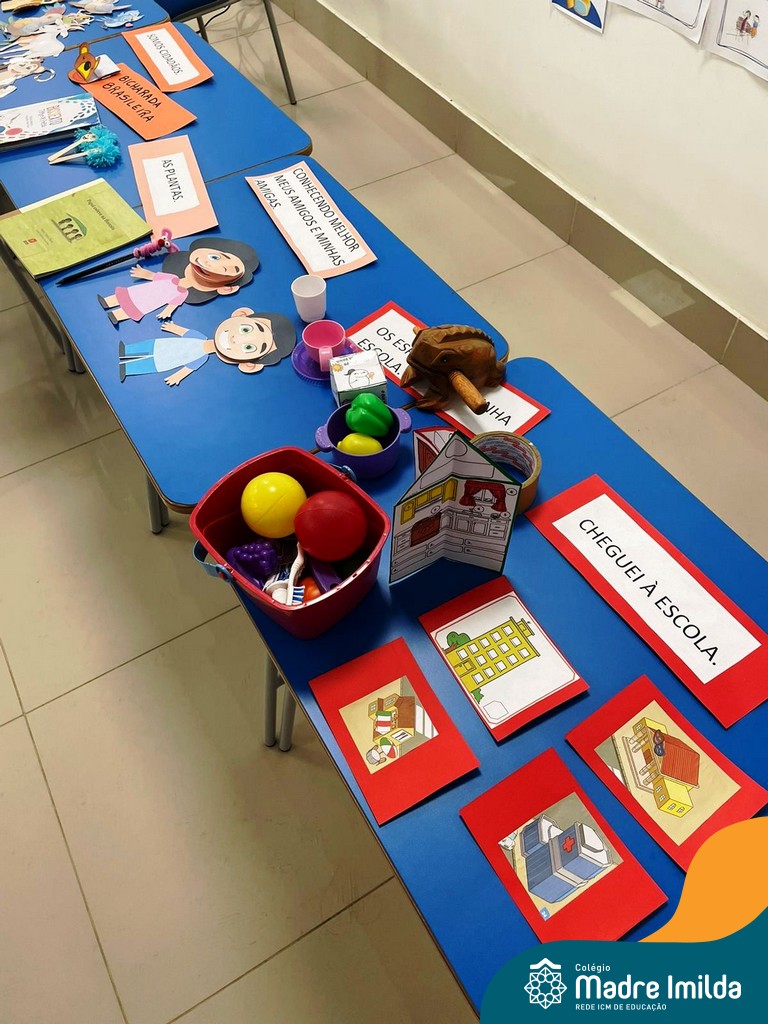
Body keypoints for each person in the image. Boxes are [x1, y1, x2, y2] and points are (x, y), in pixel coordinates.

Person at [99, 237, 260, 326]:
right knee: (127, 295)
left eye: (224, 270)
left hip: (155, 300)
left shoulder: (182, 293)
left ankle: (117, 316)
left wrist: (168, 311)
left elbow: (173, 303)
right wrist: (144, 273)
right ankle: (108, 302)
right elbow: (155, 277)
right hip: (146, 290)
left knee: (139, 306)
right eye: (215, 258)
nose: (211, 265)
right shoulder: (172, 278)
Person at [118, 308, 295, 386]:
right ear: (241, 315)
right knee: (151, 347)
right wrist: (173, 327)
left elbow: (188, 367)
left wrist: (177, 376)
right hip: (167, 345)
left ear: (250, 364)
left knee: (154, 363)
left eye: (249, 347)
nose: (235, 339)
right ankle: (127, 351)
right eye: (245, 329)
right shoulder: (198, 337)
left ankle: (129, 367)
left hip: (170, 360)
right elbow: (185, 333)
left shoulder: (201, 358)